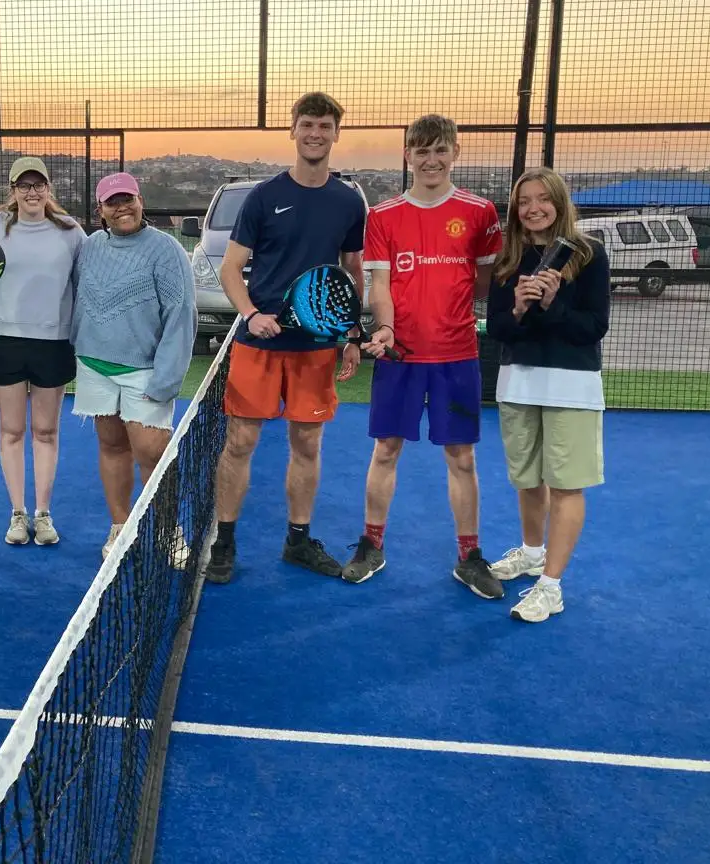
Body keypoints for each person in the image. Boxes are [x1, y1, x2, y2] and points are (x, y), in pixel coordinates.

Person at [205, 91, 367, 586]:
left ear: (336, 133)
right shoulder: (262, 197)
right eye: (307, 124)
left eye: (324, 125)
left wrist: (352, 332)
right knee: (240, 442)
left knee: (308, 443)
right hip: (260, 344)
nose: (315, 133)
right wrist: (251, 314)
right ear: (293, 130)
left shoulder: (348, 202)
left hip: (314, 348)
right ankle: (223, 542)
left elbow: (352, 272)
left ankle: (298, 540)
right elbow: (232, 268)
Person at [346, 113, 505, 599]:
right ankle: (371, 544)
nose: (431, 160)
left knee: (462, 457)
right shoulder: (383, 216)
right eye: (421, 150)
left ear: (455, 152)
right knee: (386, 450)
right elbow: (380, 284)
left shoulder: (481, 213)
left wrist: (449, 311)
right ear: (407, 155)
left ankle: (469, 556)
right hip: (401, 357)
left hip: (458, 357)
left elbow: (483, 282)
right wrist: (387, 328)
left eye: (440, 150)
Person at [485, 167, 610, 623]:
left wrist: (554, 304)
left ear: (559, 202)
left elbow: (594, 327)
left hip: (571, 387)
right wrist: (519, 308)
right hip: (518, 383)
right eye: (524, 201)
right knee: (527, 479)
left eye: (542, 199)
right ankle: (532, 553)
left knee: (566, 485)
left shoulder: (588, 253)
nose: (533, 208)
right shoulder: (509, 259)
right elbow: (498, 327)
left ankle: (550, 587)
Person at [70, 171, 196, 562]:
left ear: (141, 202)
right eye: (112, 202)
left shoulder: (166, 249)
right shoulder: (89, 247)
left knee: (152, 453)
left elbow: (181, 315)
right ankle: (120, 527)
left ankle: (167, 528)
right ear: (100, 210)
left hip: (145, 371)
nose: (121, 207)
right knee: (112, 446)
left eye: (128, 199)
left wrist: (166, 379)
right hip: (94, 366)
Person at [0, 157, 85, 546]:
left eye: (38, 184)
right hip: (6, 341)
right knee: (11, 430)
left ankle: (42, 514)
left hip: (54, 345)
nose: (32, 192)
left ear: (48, 188)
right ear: (13, 190)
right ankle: (17, 513)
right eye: (23, 185)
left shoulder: (71, 231)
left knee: (46, 431)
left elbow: (85, 284)